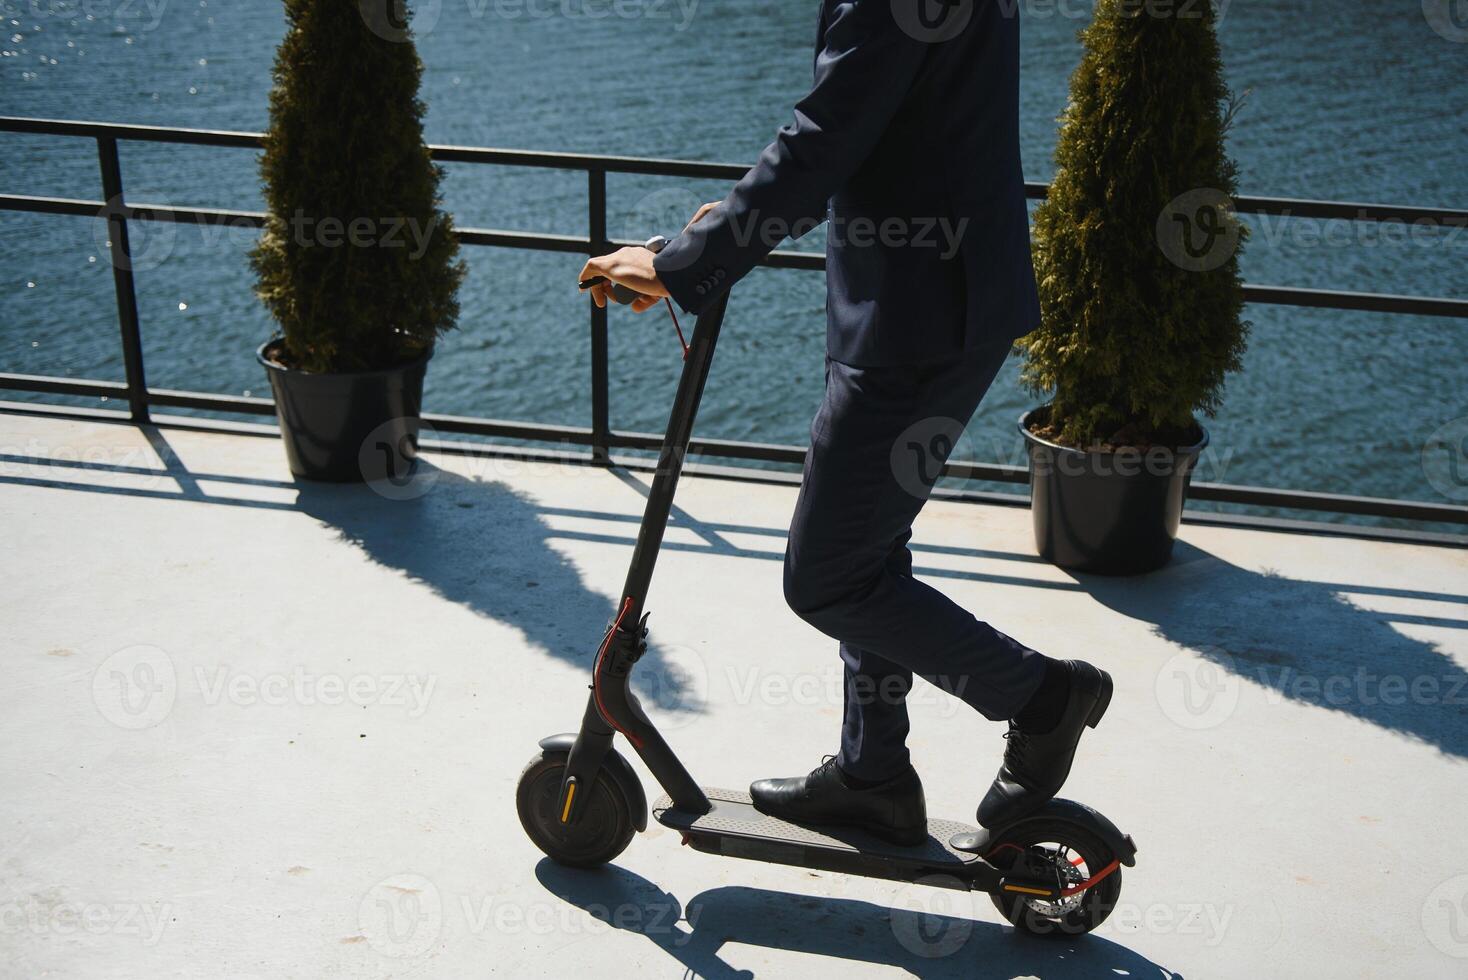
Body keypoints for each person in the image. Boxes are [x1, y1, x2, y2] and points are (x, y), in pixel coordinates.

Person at [578, 0, 1110, 844]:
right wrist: (716, 232)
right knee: (867, 554)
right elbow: (881, 113)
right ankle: (872, 776)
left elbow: (829, 130)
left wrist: (689, 263)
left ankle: (1042, 697)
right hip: (932, 297)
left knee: (826, 577)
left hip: (917, 313)